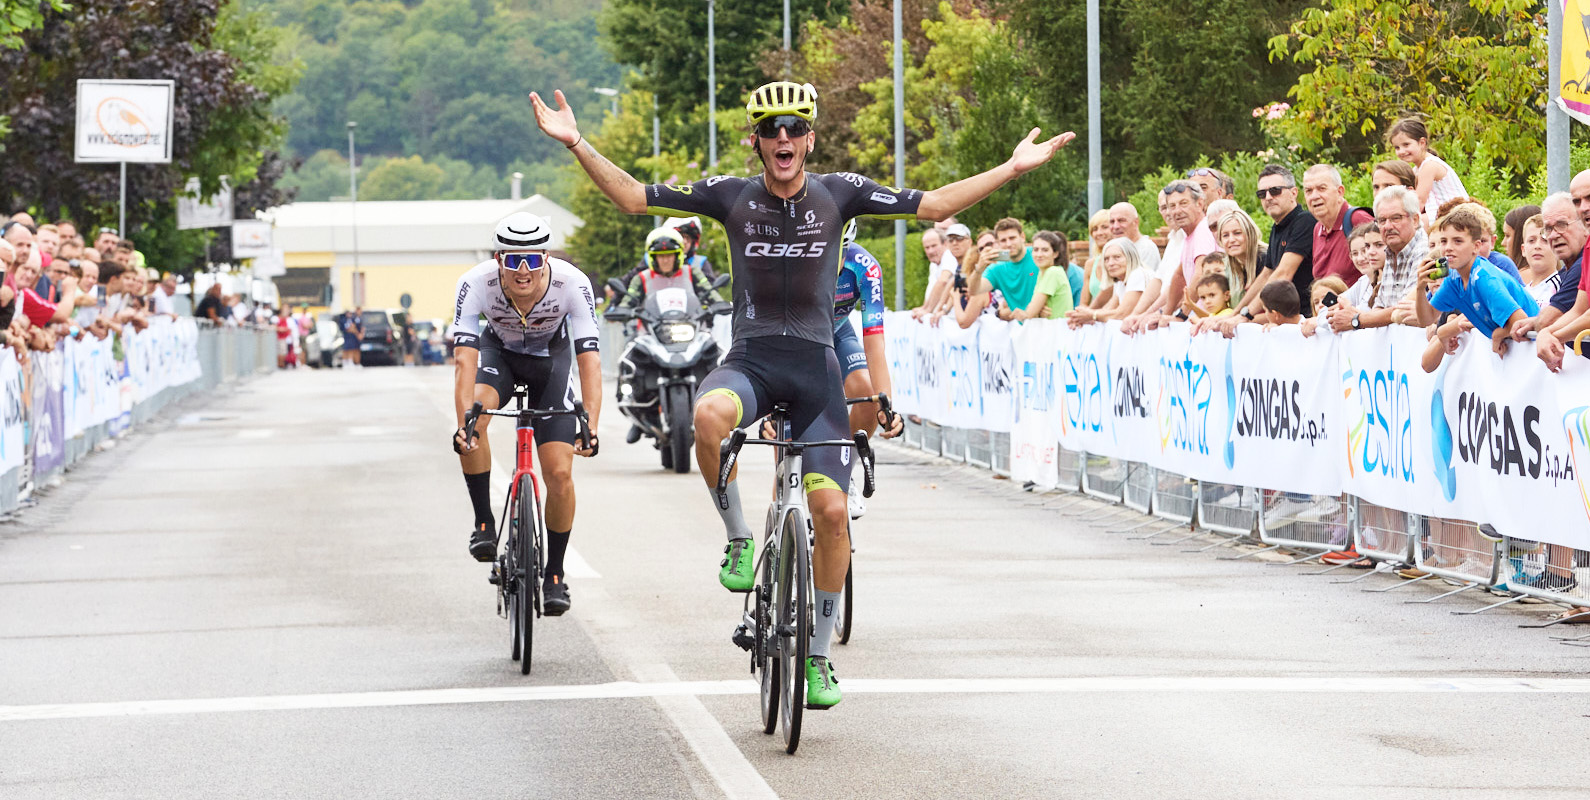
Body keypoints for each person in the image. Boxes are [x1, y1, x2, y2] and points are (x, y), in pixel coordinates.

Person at [533, 78, 1073, 708]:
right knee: (707, 415)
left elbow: (932, 205)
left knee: (834, 514)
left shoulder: (840, 193)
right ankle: (738, 536)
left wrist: (1010, 168)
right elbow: (632, 198)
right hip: (754, 361)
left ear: (810, 137)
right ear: (756, 141)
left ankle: (817, 658)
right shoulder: (728, 196)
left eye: (794, 128)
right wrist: (578, 143)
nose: (783, 138)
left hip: (816, 371)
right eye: (771, 130)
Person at [448, 212, 603, 615]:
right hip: (499, 357)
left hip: (551, 364)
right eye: (512, 259)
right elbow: (465, 361)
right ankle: (484, 521)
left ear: (546, 258)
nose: (522, 270)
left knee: (559, 472)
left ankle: (554, 573)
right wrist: (465, 423)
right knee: (475, 418)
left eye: (532, 260)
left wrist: (592, 425)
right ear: (497, 258)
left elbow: (589, 361)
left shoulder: (573, 284)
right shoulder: (474, 283)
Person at [830, 219, 899, 518]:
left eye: (839, 249)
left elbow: (874, 343)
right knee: (787, 440)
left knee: (867, 393)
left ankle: (845, 470)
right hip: (793, 337)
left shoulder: (864, 266)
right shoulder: (791, 258)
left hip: (837, 331)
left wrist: (886, 403)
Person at [1414, 207, 1538, 355]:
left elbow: (1522, 323)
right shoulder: (1454, 278)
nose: (1448, 248)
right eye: (1443, 241)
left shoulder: (1484, 279)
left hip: (1535, 352)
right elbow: (1426, 319)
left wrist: (1498, 334)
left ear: (1476, 246)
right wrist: (1420, 288)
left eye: (1457, 241)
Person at [1387, 117, 1469, 229]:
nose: (1401, 151)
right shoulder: (1417, 170)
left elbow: (1418, 202)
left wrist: (1399, 217)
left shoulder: (1430, 165)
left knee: (1407, 227)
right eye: (1397, 147)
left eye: (1406, 145)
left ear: (1422, 143)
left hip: (1456, 215)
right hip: (1441, 214)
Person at [958, 217, 1042, 327]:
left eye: (1012, 238)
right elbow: (974, 291)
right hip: (1024, 329)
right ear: (998, 243)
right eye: (1003, 240)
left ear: (1022, 237)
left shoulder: (1038, 255)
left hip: (1050, 323)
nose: (1008, 243)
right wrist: (979, 268)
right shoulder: (996, 268)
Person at [1304, 164, 1373, 289]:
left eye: (1321, 188)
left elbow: (1385, 264)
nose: (1314, 196)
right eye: (1308, 191)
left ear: (1340, 191)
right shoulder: (1318, 228)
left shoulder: (1358, 220)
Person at [618, 226, 721, 309]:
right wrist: (622, 310)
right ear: (653, 258)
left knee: (707, 335)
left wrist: (720, 303)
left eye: (669, 255)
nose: (665, 260)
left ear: (677, 256)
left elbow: (709, 292)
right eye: (661, 256)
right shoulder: (642, 278)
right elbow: (627, 301)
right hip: (649, 330)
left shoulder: (692, 272)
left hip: (691, 325)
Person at [1066, 238, 1148, 325]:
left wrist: (1091, 315)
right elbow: (1109, 309)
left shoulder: (1137, 274)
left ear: (1130, 257)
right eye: (1106, 259)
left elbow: (1122, 314)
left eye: (1117, 257)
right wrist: (1080, 318)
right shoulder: (1120, 281)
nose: (1110, 263)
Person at [1002, 230, 1073, 321]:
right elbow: (1034, 310)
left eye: (1045, 250)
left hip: (1057, 331)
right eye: (1035, 250)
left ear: (1055, 254)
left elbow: (1029, 314)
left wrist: (1022, 313)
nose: (1039, 254)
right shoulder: (1043, 273)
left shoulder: (1052, 272)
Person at [1517, 214, 1565, 306]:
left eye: (1545, 240)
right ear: (1523, 250)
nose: (1537, 246)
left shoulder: (1561, 287)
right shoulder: (1522, 293)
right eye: (1531, 241)